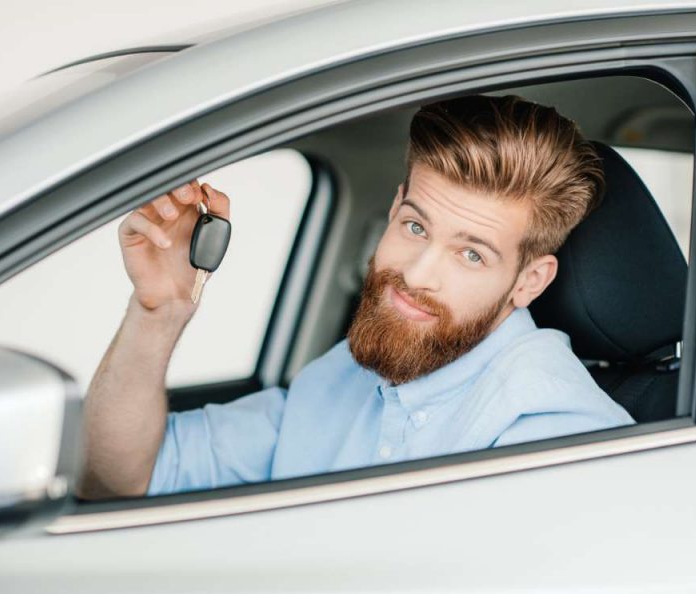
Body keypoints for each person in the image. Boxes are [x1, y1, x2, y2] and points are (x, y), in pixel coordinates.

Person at [77, 94, 634, 500]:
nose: (418, 276)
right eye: (416, 227)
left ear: (529, 281)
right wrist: (158, 311)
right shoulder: (347, 374)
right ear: (394, 211)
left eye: (472, 255)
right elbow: (127, 477)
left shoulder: (556, 443)